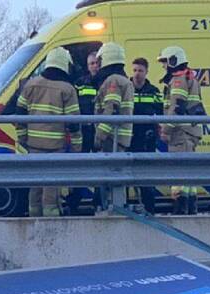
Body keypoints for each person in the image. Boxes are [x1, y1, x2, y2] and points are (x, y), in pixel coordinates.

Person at [15, 47, 82, 217]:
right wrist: (76, 148)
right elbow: (74, 123)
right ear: (65, 65)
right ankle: (51, 221)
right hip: (55, 147)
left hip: (33, 145)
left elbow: (20, 114)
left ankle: (33, 218)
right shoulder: (67, 89)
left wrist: (23, 137)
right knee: (51, 187)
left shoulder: (31, 84)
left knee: (35, 185)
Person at [158, 45, 205, 215]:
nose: (164, 66)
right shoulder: (190, 78)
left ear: (173, 60)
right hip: (191, 131)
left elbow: (176, 107)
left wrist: (166, 130)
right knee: (189, 173)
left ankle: (180, 207)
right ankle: (190, 206)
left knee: (178, 172)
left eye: (165, 62)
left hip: (180, 133)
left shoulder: (178, 80)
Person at [66, 51, 100, 214]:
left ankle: (99, 201)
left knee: (102, 168)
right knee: (81, 167)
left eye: (96, 63)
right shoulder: (80, 83)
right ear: (87, 66)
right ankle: (74, 202)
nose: (94, 66)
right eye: (91, 63)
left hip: (100, 130)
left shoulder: (106, 82)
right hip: (85, 130)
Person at [130, 57, 163, 212]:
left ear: (146, 72)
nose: (137, 74)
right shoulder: (127, 89)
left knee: (147, 175)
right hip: (129, 136)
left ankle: (150, 208)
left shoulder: (154, 91)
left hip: (147, 137)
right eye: (135, 70)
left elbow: (160, 113)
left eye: (140, 71)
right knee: (126, 173)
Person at [93, 42, 134, 153]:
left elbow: (112, 110)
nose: (97, 65)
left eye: (99, 61)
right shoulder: (123, 80)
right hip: (119, 138)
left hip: (111, 138)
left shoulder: (113, 80)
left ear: (107, 58)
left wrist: (99, 136)